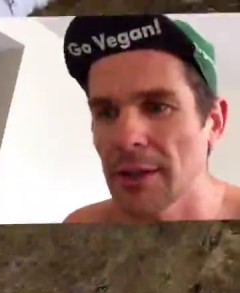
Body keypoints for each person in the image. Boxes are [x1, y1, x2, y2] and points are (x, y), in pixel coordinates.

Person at [60, 15, 240, 222]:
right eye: (106, 112)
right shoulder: (79, 226)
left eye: (157, 108)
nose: (126, 139)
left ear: (215, 122)